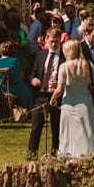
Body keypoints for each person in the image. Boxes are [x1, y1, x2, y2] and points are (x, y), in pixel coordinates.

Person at [50, 39, 94, 158]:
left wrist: (52, 99)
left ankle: (69, 156)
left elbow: (60, 89)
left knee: (69, 133)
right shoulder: (87, 64)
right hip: (85, 102)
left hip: (69, 104)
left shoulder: (64, 66)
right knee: (88, 131)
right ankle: (90, 155)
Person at [27, 27, 64, 159]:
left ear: (60, 40)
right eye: (51, 41)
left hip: (57, 96)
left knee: (56, 128)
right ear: (46, 39)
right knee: (36, 127)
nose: (54, 44)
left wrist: (59, 82)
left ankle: (56, 153)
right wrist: (34, 80)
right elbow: (33, 73)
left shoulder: (64, 57)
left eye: (56, 41)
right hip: (41, 95)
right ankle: (32, 154)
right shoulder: (41, 55)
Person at [0, 40, 33, 108]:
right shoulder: (15, 60)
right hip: (14, 88)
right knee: (28, 91)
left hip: (1, 88)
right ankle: (28, 110)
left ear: (0, 50)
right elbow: (21, 75)